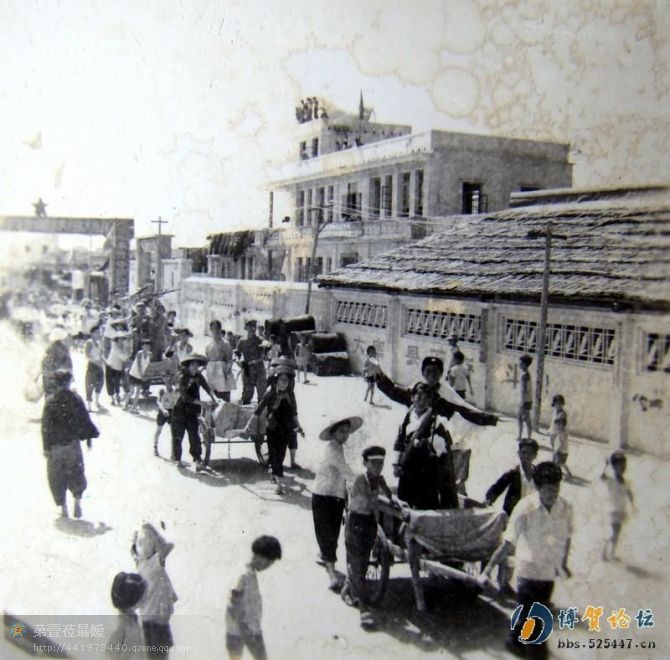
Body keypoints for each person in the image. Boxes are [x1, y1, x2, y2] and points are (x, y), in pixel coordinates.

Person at [481, 462, 573, 658]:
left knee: (527, 615)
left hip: (548, 572)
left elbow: (567, 537)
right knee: (537, 624)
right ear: (538, 487)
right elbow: (507, 543)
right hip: (528, 572)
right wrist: (487, 570)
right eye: (549, 488)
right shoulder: (525, 508)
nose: (554, 493)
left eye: (556, 487)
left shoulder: (565, 508)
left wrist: (563, 563)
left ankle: (514, 641)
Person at [342, 446, 394, 630]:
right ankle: (363, 610)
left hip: (370, 523)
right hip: (356, 523)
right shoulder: (360, 480)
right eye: (374, 463)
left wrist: (392, 498)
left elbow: (389, 496)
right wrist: (381, 495)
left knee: (362, 563)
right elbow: (367, 502)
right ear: (365, 463)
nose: (378, 467)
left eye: (381, 463)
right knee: (357, 563)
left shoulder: (378, 479)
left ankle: (348, 589)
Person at [41, 369, 99, 519]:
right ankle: (77, 501)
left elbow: (45, 427)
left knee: (56, 477)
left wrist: (46, 448)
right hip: (72, 445)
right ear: (68, 382)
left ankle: (63, 507)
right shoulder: (76, 399)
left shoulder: (50, 402)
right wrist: (89, 437)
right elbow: (84, 420)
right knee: (76, 473)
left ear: (56, 383)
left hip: (56, 448)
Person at [484, 439, 539, 596]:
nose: (525, 456)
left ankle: (514, 582)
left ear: (535, 455)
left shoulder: (537, 475)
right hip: (511, 517)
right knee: (508, 549)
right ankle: (503, 582)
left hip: (530, 519)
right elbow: (498, 487)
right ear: (518, 453)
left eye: (529, 453)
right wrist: (489, 499)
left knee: (522, 551)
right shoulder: (513, 472)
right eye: (523, 453)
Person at [312, 416, 361, 591]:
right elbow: (344, 470)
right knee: (328, 533)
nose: (345, 435)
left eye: (347, 431)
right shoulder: (332, 449)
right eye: (341, 431)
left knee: (330, 531)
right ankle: (332, 574)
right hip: (324, 494)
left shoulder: (339, 447)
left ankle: (324, 554)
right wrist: (362, 481)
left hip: (335, 495)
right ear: (333, 433)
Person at [393, 382, 458, 510]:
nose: (421, 401)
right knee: (405, 504)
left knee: (426, 504)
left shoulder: (436, 421)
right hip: (408, 467)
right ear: (413, 398)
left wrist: (429, 443)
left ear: (430, 401)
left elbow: (443, 447)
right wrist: (396, 465)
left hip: (427, 470)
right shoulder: (407, 418)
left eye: (426, 398)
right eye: (419, 397)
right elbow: (399, 443)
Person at [245, 365, 303, 494]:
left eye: (287, 380)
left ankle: (275, 473)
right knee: (274, 454)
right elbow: (258, 410)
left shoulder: (290, 394)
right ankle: (279, 485)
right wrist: (249, 424)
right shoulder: (270, 393)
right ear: (276, 380)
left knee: (280, 455)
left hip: (286, 428)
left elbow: (294, 412)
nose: (285, 382)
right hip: (273, 428)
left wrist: (298, 426)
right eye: (282, 380)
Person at [226, 535, 282, 660]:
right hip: (246, 630)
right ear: (260, 557)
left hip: (241, 630)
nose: (267, 566)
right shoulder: (243, 575)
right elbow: (234, 601)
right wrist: (246, 629)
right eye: (269, 563)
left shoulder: (250, 573)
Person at [132, 522, 178, 659]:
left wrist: (136, 540)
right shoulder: (151, 563)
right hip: (155, 617)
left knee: (154, 652)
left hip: (151, 616)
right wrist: (150, 531)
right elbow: (167, 547)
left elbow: (134, 553)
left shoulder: (144, 563)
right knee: (158, 653)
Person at [171, 354, 218, 470]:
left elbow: (207, 388)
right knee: (178, 436)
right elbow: (185, 396)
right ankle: (177, 459)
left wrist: (215, 398)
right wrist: (201, 403)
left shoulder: (199, 376)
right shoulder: (183, 377)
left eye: (197, 365)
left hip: (192, 411)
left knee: (194, 435)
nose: (195, 367)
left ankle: (197, 460)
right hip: (180, 410)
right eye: (193, 365)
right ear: (188, 366)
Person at [600, 451, 635, 561]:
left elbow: (629, 493)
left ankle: (611, 552)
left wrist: (632, 505)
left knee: (617, 534)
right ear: (614, 467)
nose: (623, 469)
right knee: (613, 533)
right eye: (620, 467)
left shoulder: (626, 482)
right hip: (613, 510)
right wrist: (606, 465)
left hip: (621, 511)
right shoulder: (611, 481)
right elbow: (602, 477)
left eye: (624, 466)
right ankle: (606, 551)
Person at [107, 572, 147, 658]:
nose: (145, 598)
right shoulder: (120, 627)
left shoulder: (133, 620)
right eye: (142, 595)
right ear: (133, 597)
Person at [236, 320, 268, 404]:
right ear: (246, 328)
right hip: (247, 370)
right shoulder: (242, 341)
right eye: (250, 327)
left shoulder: (260, 340)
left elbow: (263, 356)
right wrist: (238, 361)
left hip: (259, 369)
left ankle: (262, 411)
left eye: (254, 327)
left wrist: (254, 361)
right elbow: (237, 354)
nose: (253, 329)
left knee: (262, 395)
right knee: (246, 394)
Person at [205, 320, 236, 402]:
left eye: (218, 328)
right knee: (213, 396)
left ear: (220, 329)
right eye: (214, 328)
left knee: (224, 396)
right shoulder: (208, 344)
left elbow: (230, 359)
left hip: (222, 372)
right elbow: (207, 358)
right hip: (211, 371)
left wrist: (227, 371)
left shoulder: (225, 343)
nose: (216, 330)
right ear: (211, 329)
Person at [41, 326, 73, 397]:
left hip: (50, 378)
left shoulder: (50, 348)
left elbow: (45, 364)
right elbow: (67, 365)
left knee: (50, 397)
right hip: (59, 379)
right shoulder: (63, 349)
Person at [154, 373, 178, 458]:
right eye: (166, 378)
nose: (168, 381)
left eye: (170, 378)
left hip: (172, 411)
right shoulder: (162, 390)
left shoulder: (175, 390)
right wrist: (163, 410)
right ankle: (155, 446)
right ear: (163, 380)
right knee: (159, 430)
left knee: (173, 432)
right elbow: (158, 401)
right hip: (163, 411)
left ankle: (173, 452)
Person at [84, 323, 105, 412]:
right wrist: (95, 361)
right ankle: (89, 405)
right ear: (92, 333)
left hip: (99, 365)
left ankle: (97, 401)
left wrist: (103, 361)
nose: (98, 334)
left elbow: (101, 354)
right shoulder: (89, 342)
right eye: (96, 332)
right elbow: (86, 355)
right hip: (92, 365)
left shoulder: (99, 343)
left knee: (100, 383)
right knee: (90, 384)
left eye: (99, 332)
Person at [106, 332, 131, 406]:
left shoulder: (123, 345)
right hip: (110, 366)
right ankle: (112, 399)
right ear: (116, 339)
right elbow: (122, 356)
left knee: (117, 383)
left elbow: (127, 353)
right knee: (110, 384)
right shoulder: (114, 345)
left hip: (118, 367)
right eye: (119, 339)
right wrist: (127, 358)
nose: (121, 340)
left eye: (122, 338)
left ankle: (117, 397)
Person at [128, 338, 153, 413]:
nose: (147, 347)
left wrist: (147, 374)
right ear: (142, 346)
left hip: (141, 375)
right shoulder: (139, 353)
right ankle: (125, 404)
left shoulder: (150, 354)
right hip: (133, 374)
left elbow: (148, 365)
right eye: (145, 346)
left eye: (148, 346)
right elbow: (139, 365)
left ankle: (133, 407)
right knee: (131, 392)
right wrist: (142, 375)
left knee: (138, 392)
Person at [550, 394, 572, 477]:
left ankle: (555, 469)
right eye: (556, 403)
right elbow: (553, 423)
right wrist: (551, 432)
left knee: (558, 454)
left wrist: (559, 430)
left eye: (560, 403)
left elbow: (562, 424)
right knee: (554, 451)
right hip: (554, 432)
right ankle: (553, 467)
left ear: (562, 404)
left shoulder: (563, 414)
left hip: (558, 433)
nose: (558, 405)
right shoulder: (554, 412)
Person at [518, 354, 533, 440]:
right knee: (527, 418)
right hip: (528, 400)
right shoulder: (527, 374)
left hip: (525, 400)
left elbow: (524, 390)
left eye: (521, 362)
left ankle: (520, 436)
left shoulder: (524, 375)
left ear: (525, 364)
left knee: (520, 418)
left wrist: (521, 403)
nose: (519, 364)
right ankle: (528, 436)